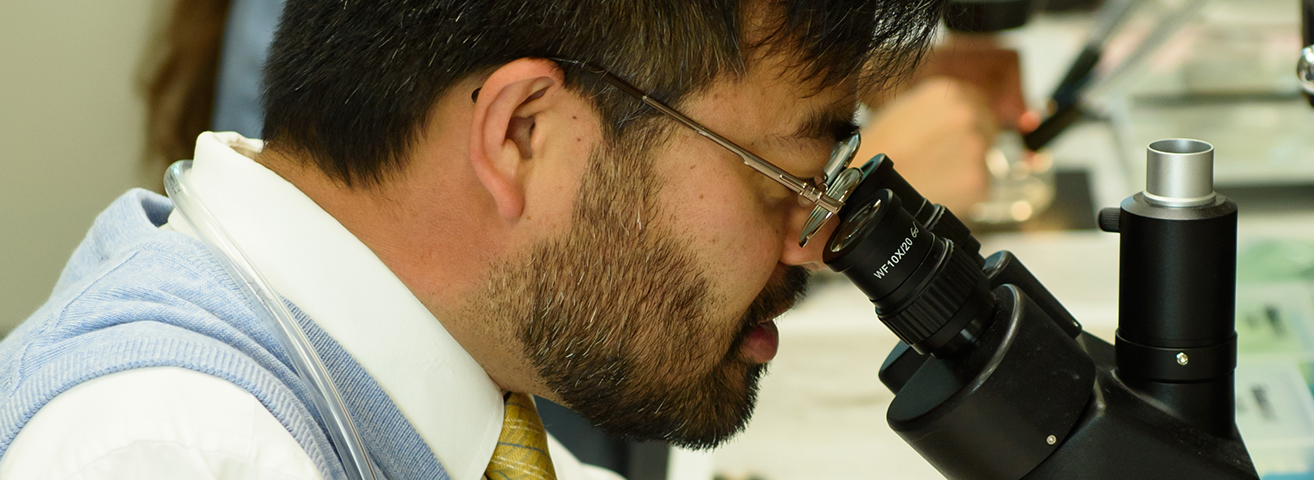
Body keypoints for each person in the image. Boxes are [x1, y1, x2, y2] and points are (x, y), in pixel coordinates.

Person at [0, 0, 945, 478]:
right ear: (523, 134)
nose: (812, 242)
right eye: (788, 179)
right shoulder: (174, 452)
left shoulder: (442, 388)